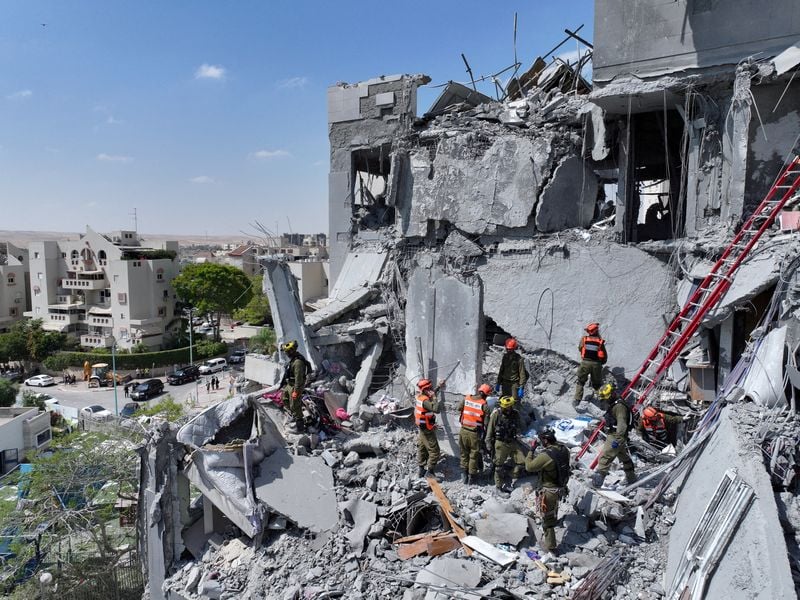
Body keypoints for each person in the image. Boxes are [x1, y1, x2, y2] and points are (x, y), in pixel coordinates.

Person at [525, 428, 571, 555]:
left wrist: (532, 450)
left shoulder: (546, 455)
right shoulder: (564, 449)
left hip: (549, 490)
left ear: (545, 440)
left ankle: (551, 547)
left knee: (547, 519)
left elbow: (529, 466)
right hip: (560, 488)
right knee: (552, 512)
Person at [592, 383, 636, 487]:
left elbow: (622, 423)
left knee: (605, 456)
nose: (605, 401)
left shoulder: (619, 407)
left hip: (616, 435)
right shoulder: (615, 403)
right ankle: (631, 478)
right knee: (624, 457)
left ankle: (596, 483)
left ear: (612, 394)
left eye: (606, 398)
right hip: (617, 434)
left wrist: (618, 439)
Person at [486, 395, 526, 493]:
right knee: (498, 466)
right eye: (505, 407)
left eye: (509, 407)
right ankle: (499, 487)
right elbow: (490, 429)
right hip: (501, 443)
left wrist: (518, 432)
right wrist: (488, 442)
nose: (507, 409)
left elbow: (520, 426)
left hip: (513, 442)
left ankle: (509, 476)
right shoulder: (496, 414)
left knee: (522, 462)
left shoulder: (515, 414)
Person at [457, 383, 491, 484]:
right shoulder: (484, 405)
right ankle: (472, 477)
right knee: (473, 455)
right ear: (486, 395)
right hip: (474, 434)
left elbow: (459, 408)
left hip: (463, 431)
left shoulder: (466, 398)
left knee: (464, 453)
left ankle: (464, 475)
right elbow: (486, 423)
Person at [415, 378, 445, 480]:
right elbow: (436, 409)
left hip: (422, 427)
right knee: (435, 451)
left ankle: (421, 470)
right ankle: (430, 472)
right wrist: (435, 398)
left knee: (422, 448)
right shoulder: (425, 401)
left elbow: (429, 396)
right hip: (427, 430)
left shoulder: (421, 397)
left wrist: (438, 387)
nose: (431, 389)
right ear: (426, 389)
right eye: (430, 388)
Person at [280, 340, 312, 433]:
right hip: (289, 384)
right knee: (285, 399)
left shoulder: (298, 362)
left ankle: (300, 427)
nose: (286, 354)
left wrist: (296, 391)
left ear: (292, 351)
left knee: (295, 405)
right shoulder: (293, 359)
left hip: (295, 386)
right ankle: (295, 416)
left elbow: (299, 379)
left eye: (287, 352)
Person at [574, 322, 607, 403]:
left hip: (585, 363)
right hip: (597, 364)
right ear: (597, 331)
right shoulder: (600, 341)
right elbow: (604, 355)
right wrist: (601, 363)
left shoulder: (584, 339)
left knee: (581, 381)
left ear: (589, 332)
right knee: (597, 384)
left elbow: (580, 348)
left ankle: (577, 400)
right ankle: (602, 401)